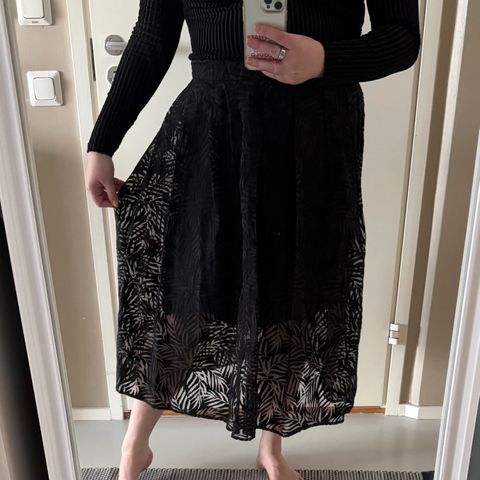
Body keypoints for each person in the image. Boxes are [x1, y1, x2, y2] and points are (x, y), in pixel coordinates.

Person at [85, 1, 421, 479]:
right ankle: (135, 444)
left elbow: (401, 38)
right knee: (188, 288)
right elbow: (152, 37)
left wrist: (324, 59)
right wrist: (102, 142)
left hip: (314, 133)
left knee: (291, 295)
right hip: (213, 130)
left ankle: (271, 447)